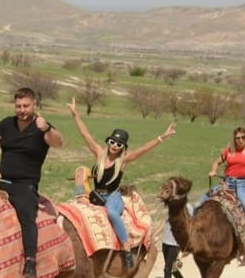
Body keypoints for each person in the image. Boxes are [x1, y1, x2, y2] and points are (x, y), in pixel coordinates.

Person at [0, 87, 64, 278]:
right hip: (0, 179)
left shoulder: (41, 126)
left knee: (27, 214)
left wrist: (46, 128)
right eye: (18, 106)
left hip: (25, 183)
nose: (22, 110)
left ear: (34, 104)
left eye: (26, 106)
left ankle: (30, 260)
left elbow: (58, 142)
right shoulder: (6, 124)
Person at [67, 97, 176, 267]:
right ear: (108, 142)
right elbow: (85, 134)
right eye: (112, 142)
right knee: (75, 211)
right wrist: (75, 114)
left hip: (112, 197)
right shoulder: (99, 154)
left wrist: (162, 137)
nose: (114, 146)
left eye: (119, 144)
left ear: (123, 147)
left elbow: (143, 150)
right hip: (96, 195)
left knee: (111, 213)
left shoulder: (123, 161)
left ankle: (125, 248)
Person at [198, 112, 245, 256]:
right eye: (237, 138)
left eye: (242, 137)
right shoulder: (228, 151)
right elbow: (217, 161)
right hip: (226, 183)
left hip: (240, 185)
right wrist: (213, 170)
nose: (239, 140)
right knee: (201, 201)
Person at [150, 210, 192, 278]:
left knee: (167, 269)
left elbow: (190, 229)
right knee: (172, 268)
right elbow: (164, 223)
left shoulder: (185, 211)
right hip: (165, 243)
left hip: (175, 245)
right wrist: (155, 233)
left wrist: (187, 247)